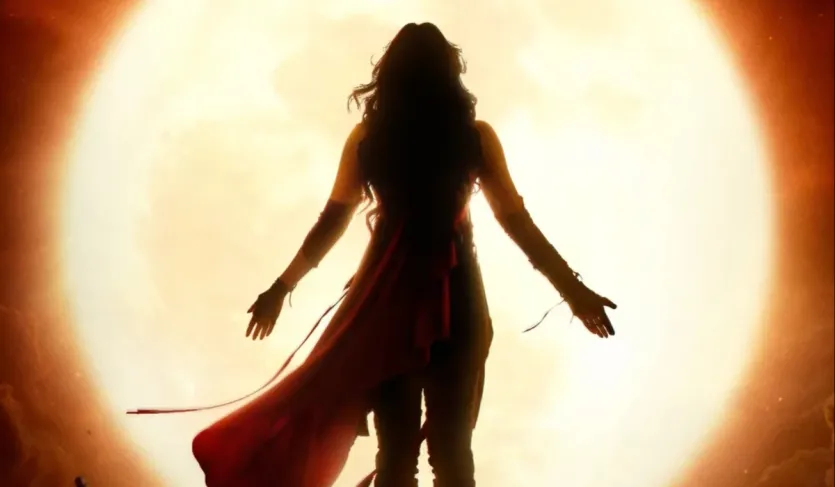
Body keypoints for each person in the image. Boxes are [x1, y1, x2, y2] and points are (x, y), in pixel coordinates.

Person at [189, 22, 616, 487]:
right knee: (453, 455)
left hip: (387, 306)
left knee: (396, 458)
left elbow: (332, 221)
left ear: (389, 76)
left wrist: (281, 287)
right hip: (459, 306)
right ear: (450, 73)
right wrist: (574, 292)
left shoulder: (369, 140)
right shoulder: (474, 137)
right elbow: (517, 224)